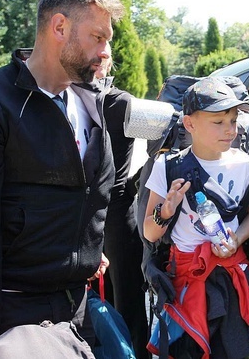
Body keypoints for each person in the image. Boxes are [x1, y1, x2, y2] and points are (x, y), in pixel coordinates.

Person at [0, 0, 124, 348]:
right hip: (15, 315)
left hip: (78, 308)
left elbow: (92, 196)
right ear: (59, 27)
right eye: (98, 37)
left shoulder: (92, 100)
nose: (105, 51)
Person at [143, 77, 249, 358]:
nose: (230, 130)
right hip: (187, 281)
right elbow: (150, 233)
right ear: (190, 124)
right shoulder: (168, 167)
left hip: (230, 277)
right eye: (218, 122)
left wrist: (237, 239)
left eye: (234, 121)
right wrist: (165, 211)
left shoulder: (246, 165)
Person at [93, 45, 149, 359]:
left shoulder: (121, 102)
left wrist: (133, 184)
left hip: (117, 217)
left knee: (127, 302)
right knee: (95, 303)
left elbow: (166, 144)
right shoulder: (68, 100)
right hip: (82, 218)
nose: (98, 61)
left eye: (104, 56)